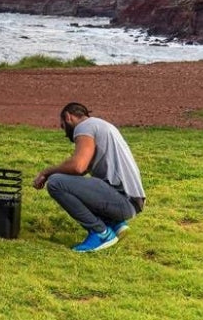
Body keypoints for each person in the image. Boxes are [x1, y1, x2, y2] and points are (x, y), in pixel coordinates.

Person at [33, 103, 146, 253]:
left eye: (63, 126)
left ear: (68, 117)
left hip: (123, 201)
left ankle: (101, 233)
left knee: (56, 183)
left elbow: (78, 166)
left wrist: (47, 172)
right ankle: (114, 223)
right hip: (131, 200)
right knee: (70, 183)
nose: (65, 133)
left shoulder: (84, 127)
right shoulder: (100, 125)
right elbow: (81, 171)